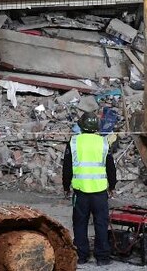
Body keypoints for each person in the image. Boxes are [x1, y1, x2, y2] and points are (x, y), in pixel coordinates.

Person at [62, 112, 117, 265]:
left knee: (80, 224)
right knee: (101, 224)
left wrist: (66, 186)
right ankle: (103, 258)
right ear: (96, 127)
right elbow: (111, 167)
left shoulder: (73, 142)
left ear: (81, 125)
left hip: (80, 193)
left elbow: (67, 168)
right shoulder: (103, 143)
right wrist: (112, 186)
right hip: (100, 193)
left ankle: (81, 256)